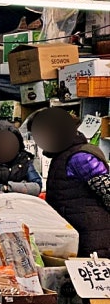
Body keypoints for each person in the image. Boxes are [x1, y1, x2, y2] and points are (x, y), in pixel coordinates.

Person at [28, 108, 110, 258]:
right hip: (76, 233)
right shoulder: (63, 155)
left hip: (91, 236)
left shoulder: (80, 157)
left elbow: (107, 190)